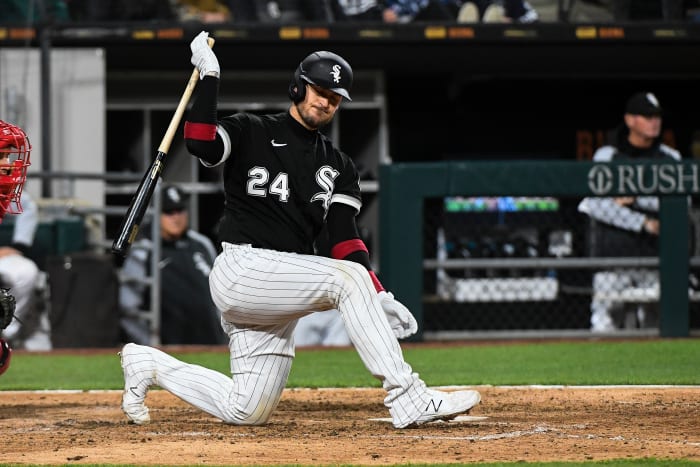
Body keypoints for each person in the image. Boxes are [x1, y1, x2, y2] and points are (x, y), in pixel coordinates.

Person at [118, 30, 481, 429]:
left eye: (335, 96)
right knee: (346, 281)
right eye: (319, 89)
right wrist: (210, 77)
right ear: (298, 87)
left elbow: (343, 237)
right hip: (243, 268)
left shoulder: (340, 165)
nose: (325, 100)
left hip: (282, 287)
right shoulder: (250, 129)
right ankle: (407, 396)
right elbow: (201, 142)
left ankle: (148, 364)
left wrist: (379, 294)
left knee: (247, 409)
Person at [578, 92, 682, 332]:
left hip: (656, 258)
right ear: (630, 120)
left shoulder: (670, 157)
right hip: (613, 258)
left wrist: (638, 198)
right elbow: (597, 205)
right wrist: (643, 222)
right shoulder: (608, 156)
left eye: (657, 117)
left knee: (656, 325)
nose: (654, 122)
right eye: (647, 116)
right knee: (604, 324)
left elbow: (681, 204)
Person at [119, 183, 226, 345]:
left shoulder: (202, 244)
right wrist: (150, 345)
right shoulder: (144, 250)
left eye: (180, 210)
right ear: (157, 215)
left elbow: (220, 296)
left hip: (211, 345)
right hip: (168, 348)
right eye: (168, 212)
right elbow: (128, 307)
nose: (176, 217)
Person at [0, 120, 46, 366]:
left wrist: (14, 248)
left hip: (4, 258)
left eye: (8, 157)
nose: (8, 165)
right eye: (2, 157)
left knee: (25, 271)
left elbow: (21, 240)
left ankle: (6, 335)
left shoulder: (14, 196)